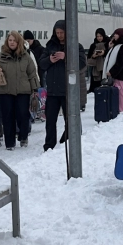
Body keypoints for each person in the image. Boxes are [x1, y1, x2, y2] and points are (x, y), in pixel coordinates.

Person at [41, 20, 82, 151]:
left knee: (70, 119)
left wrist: (67, 56)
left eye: (62, 32)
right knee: (50, 120)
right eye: (57, 32)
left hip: (68, 90)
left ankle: (70, 141)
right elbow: (41, 64)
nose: (59, 35)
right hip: (53, 90)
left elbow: (81, 63)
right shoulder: (50, 46)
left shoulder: (75, 45)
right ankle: (49, 145)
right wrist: (49, 60)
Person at [0, 31, 39, 150]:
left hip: (22, 91)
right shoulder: (1, 55)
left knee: (22, 115)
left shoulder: (26, 56)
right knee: (7, 116)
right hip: (5, 90)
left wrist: (35, 89)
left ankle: (23, 136)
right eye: (10, 40)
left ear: (19, 42)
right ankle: (9, 143)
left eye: (14, 40)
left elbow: (32, 73)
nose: (12, 42)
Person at [102, 28, 123, 113]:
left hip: (120, 74)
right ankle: (119, 108)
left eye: (116, 34)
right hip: (117, 74)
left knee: (121, 92)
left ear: (121, 35)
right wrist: (110, 47)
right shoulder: (116, 46)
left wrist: (112, 71)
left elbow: (120, 62)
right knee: (117, 92)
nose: (114, 35)